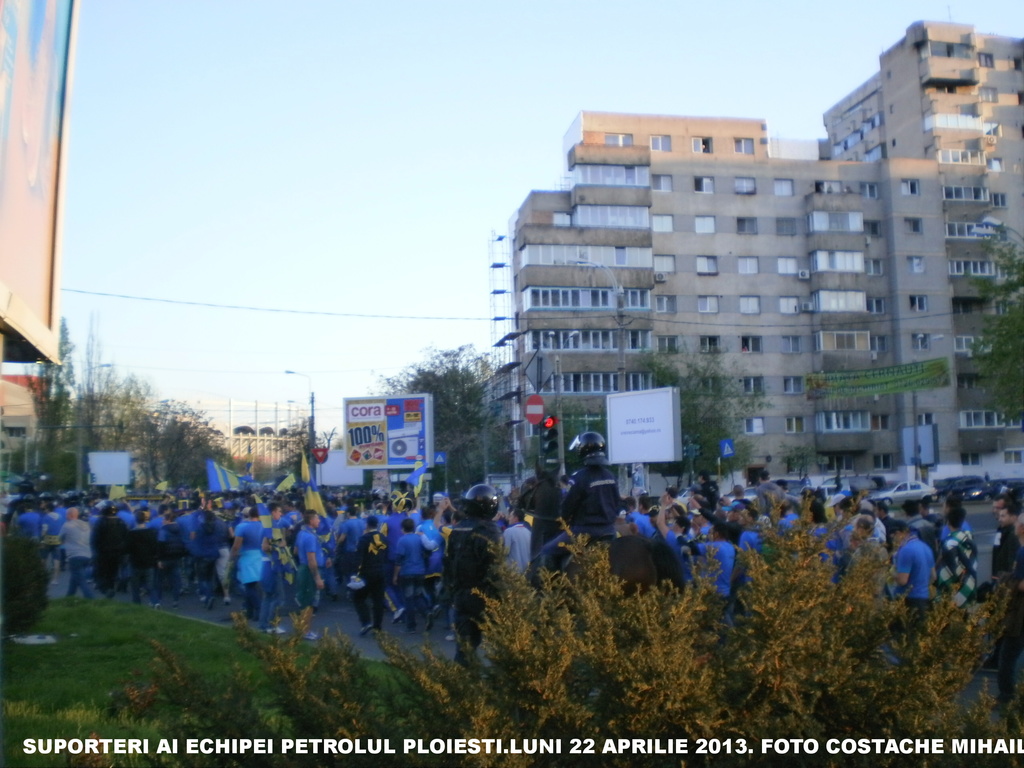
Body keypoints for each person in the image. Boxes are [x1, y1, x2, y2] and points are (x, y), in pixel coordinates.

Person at [535, 432, 621, 574]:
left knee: (546, 550)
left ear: (582, 450)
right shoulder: (611, 476)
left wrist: (562, 519)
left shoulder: (578, 478)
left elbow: (567, 507)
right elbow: (617, 503)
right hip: (609, 531)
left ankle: (551, 590)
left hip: (583, 533)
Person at [444, 484, 501, 664]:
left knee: (464, 648)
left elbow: (449, 563)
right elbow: (496, 568)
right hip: (485, 596)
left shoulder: (457, 530)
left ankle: (460, 685)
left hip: (461, 595)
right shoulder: (490, 531)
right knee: (503, 647)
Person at [997, 516, 1024, 705]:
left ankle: (1007, 696)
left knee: (1008, 655)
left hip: (1019, 611)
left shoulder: (1022, 552)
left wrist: (1008, 580)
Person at [393, 517, 437, 633]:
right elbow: (428, 551)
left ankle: (411, 625)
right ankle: (426, 612)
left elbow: (399, 560)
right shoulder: (419, 538)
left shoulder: (402, 541)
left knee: (408, 599)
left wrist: (395, 575)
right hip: (420, 570)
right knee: (418, 595)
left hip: (407, 572)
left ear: (403, 528)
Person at [890, 519, 935, 629]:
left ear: (899, 533)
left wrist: (892, 575)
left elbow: (902, 580)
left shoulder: (906, 550)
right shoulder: (925, 547)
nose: (893, 540)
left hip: (907, 601)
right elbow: (933, 576)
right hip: (923, 600)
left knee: (901, 637)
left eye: (893, 536)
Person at [936, 500, 977, 608]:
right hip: (969, 581)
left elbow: (951, 566)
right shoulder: (968, 538)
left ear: (948, 522)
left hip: (953, 584)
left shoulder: (950, 542)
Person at [353, 515, 389, 635]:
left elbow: (358, 558)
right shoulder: (383, 538)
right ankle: (377, 627)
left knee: (358, 597)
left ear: (367, 525)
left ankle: (366, 621)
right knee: (378, 601)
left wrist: (355, 573)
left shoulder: (364, 539)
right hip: (380, 572)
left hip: (366, 572)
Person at [295, 510, 325, 639]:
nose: (319, 521)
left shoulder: (301, 533)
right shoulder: (310, 537)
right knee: (308, 603)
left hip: (303, 568)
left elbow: (295, 551)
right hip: (308, 571)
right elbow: (311, 560)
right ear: (311, 521)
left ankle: (303, 629)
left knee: (307, 601)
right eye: (317, 519)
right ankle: (304, 631)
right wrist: (317, 578)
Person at [231, 506, 264, 622]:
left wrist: (232, 556)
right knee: (254, 585)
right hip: (260, 556)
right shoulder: (263, 526)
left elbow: (236, 545)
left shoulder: (242, 527)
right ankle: (250, 611)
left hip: (247, 557)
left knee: (248, 585)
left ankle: (257, 608)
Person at [92, 502, 129, 598]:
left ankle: (105, 589)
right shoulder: (121, 522)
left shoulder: (100, 522)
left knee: (103, 572)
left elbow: (95, 539)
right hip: (117, 552)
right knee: (113, 572)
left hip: (103, 553)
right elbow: (126, 537)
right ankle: (111, 588)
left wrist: (96, 551)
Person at [61, 507, 94, 599]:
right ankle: (69, 598)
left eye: (66, 514)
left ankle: (91, 599)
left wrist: (64, 544)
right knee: (75, 577)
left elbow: (60, 538)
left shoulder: (67, 525)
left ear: (70, 515)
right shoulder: (86, 525)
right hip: (87, 555)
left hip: (74, 556)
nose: (65, 516)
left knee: (81, 580)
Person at [503, 507, 531, 572]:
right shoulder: (529, 532)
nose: (508, 519)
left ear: (516, 518)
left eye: (510, 516)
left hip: (512, 573)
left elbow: (504, 552)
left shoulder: (509, 531)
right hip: (526, 572)